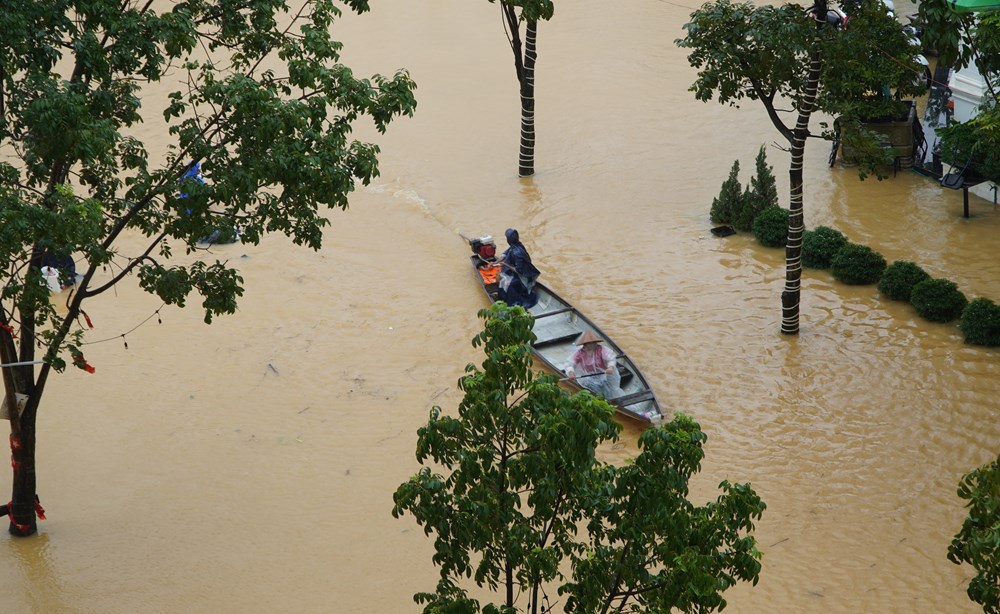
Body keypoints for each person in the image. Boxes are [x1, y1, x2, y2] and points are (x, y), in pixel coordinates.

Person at [565, 331, 622, 399]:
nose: (592, 344)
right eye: (589, 343)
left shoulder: (602, 350)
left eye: (593, 342)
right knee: (596, 392)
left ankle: (611, 398)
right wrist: (571, 372)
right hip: (589, 377)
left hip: (604, 374)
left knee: (609, 391)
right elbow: (570, 363)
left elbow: (611, 358)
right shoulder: (580, 353)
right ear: (585, 344)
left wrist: (610, 367)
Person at [496, 228, 540, 308]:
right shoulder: (515, 245)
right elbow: (504, 255)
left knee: (507, 283)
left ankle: (512, 302)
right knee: (502, 276)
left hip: (523, 274)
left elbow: (518, 270)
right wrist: (495, 262)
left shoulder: (517, 253)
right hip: (518, 271)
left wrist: (505, 264)